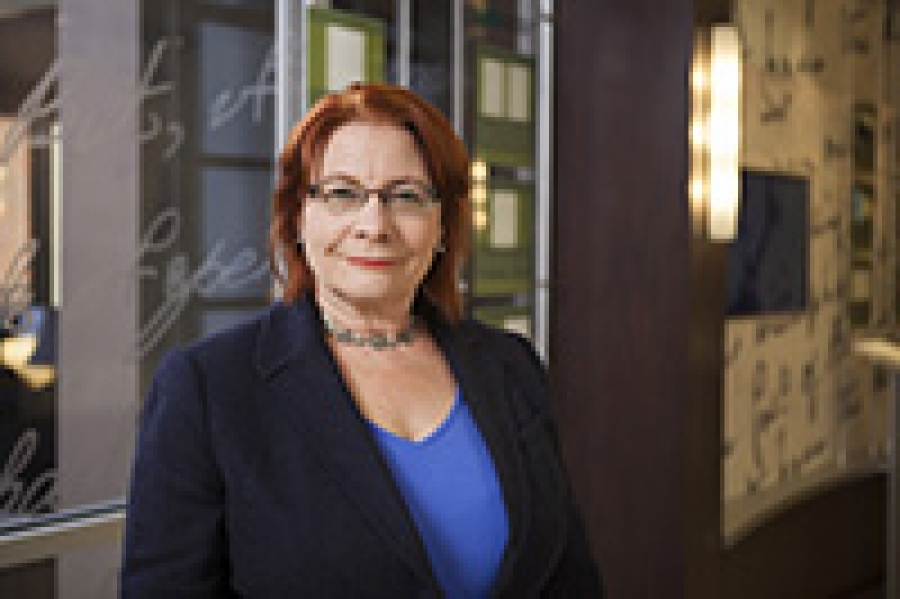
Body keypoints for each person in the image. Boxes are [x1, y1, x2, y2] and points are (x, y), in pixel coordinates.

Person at [121, 82, 603, 598]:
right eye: (342, 194)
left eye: (406, 196)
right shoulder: (208, 390)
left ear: (443, 224)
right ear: (298, 216)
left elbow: (567, 578)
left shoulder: (510, 366)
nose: (374, 226)